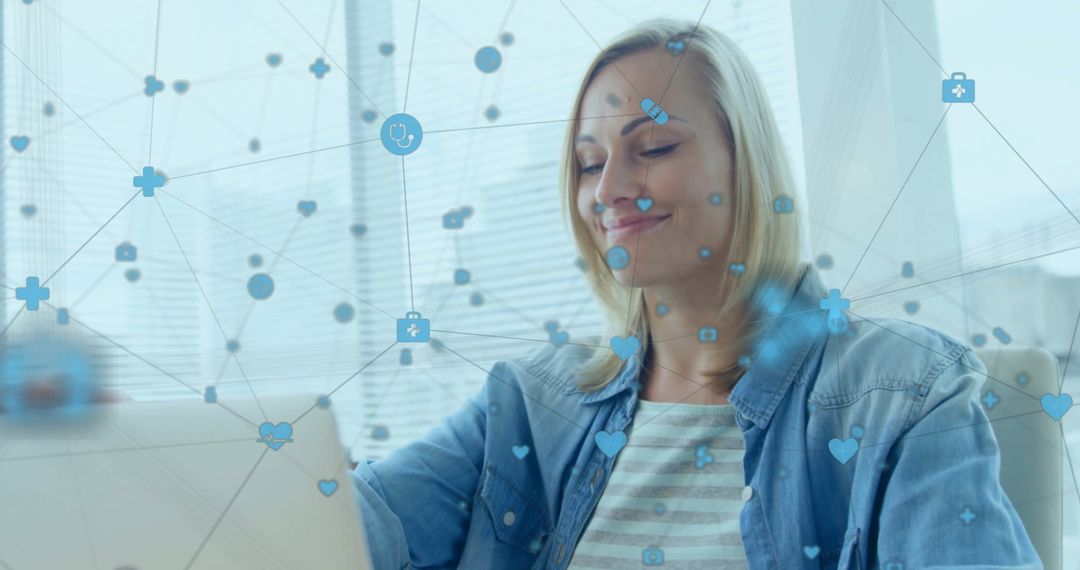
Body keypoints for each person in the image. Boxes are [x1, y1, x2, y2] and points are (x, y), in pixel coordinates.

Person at [351, 19, 1041, 569]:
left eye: (651, 149)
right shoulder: (531, 403)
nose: (608, 190)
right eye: (589, 164)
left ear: (745, 162)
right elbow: (348, 528)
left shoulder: (901, 393)